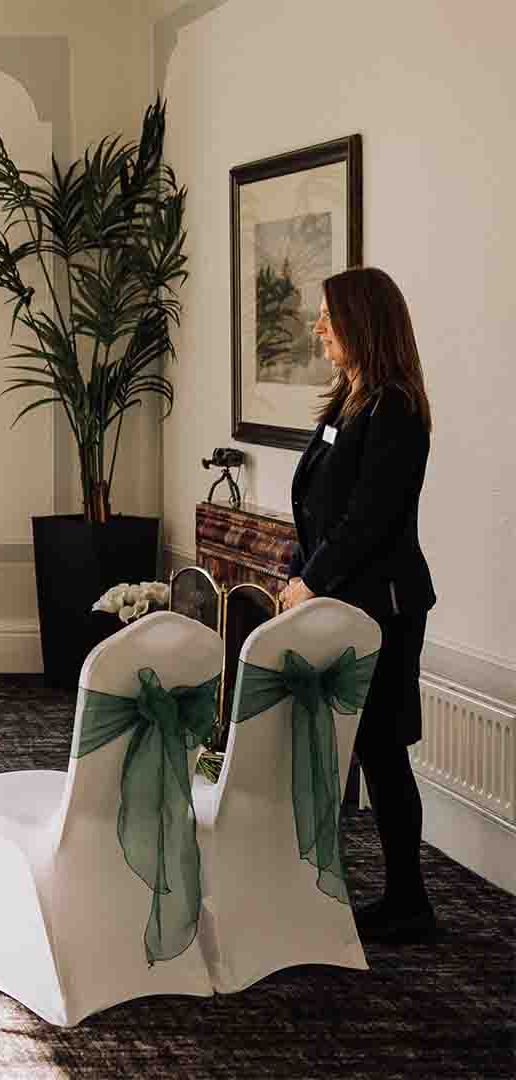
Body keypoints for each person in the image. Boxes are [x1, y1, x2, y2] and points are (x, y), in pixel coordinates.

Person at [278, 266, 438, 942]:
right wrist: (298, 573)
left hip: (386, 608)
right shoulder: (350, 401)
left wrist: (309, 582)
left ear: (362, 324)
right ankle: (344, 885)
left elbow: (369, 518)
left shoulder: (394, 407)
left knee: (381, 747)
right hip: (342, 602)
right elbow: (321, 509)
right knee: (358, 746)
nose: (318, 328)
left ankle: (410, 904)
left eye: (328, 317)